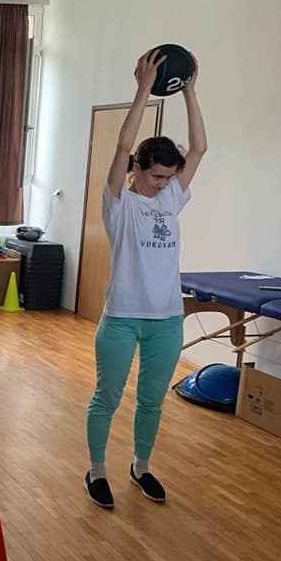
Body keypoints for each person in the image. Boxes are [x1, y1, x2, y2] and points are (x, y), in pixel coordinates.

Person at [84, 48, 207, 509]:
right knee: (107, 398)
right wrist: (143, 90)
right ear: (137, 169)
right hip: (122, 319)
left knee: (152, 401)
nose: (163, 184)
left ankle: (140, 467)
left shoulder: (171, 198)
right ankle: (96, 471)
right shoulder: (119, 203)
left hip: (166, 320)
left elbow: (199, 148)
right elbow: (121, 146)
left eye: (169, 178)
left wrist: (189, 90)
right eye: (156, 176)